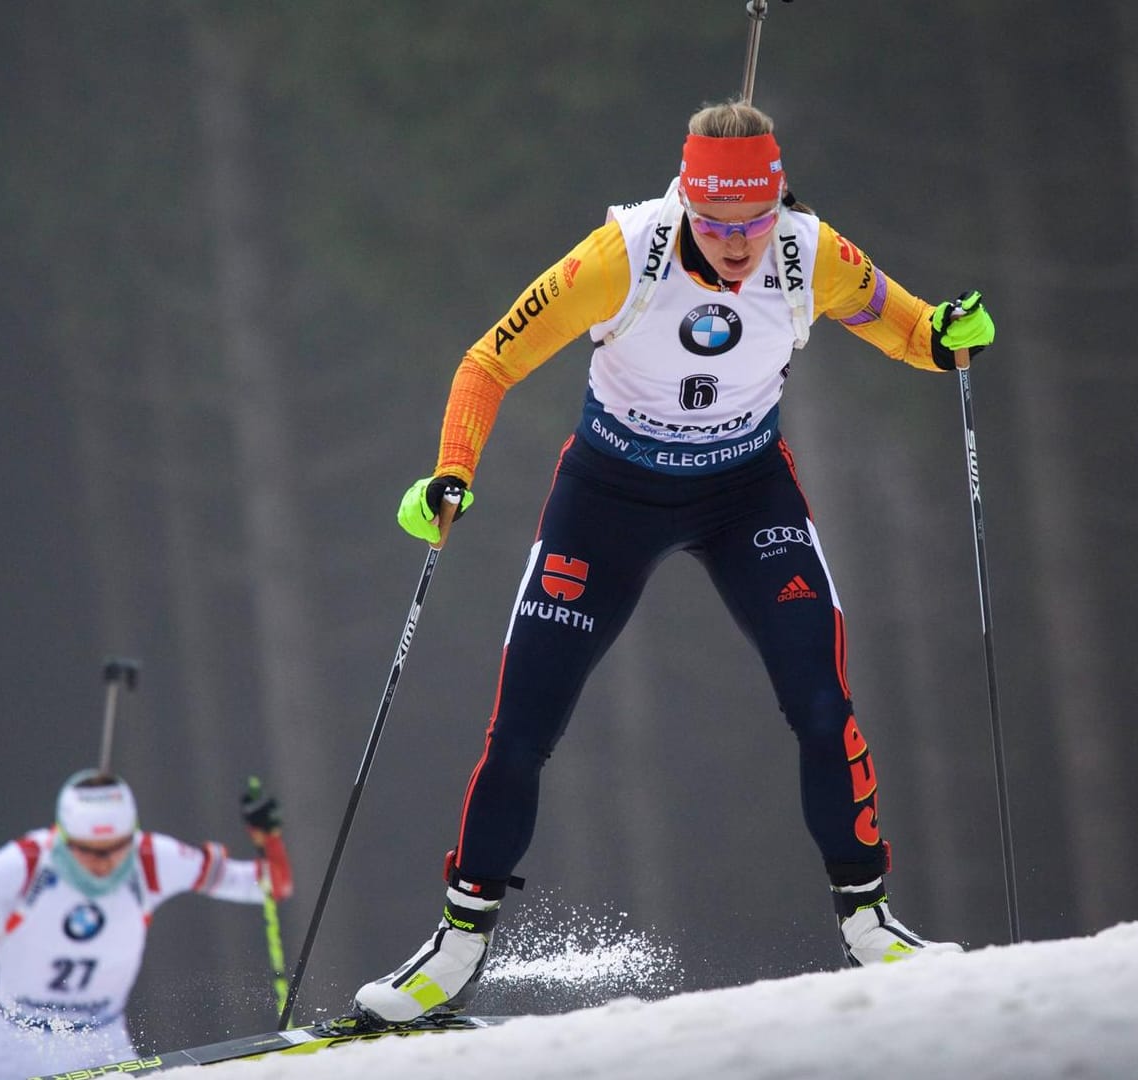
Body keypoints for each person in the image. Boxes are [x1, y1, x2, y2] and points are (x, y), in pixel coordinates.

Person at [354, 99, 995, 1023]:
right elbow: (488, 363)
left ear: (779, 203)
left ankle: (870, 923)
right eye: (718, 224)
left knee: (821, 699)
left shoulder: (808, 252)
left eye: (755, 222)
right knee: (525, 722)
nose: (738, 246)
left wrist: (949, 336)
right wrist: (450, 472)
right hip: (609, 496)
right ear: (687, 202)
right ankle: (455, 948)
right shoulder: (623, 256)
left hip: (746, 493)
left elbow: (911, 331)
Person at [0, 771, 293, 1080]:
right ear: (64, 837)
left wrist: (267, 836)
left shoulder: (152, 859)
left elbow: (271, 885)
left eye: (115, 850)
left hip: (100, 1042)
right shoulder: (26, 862)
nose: (103, 864)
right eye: (88, 851)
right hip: (16, 1043)